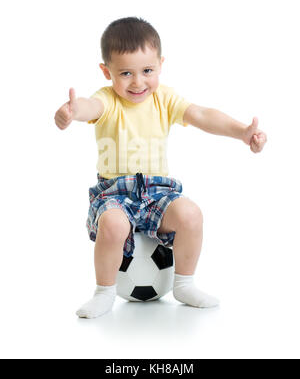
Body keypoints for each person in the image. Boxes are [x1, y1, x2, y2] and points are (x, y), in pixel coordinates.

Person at [54, 17, 267, 319]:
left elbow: (203, 115)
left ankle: (184, 284)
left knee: (191, 214)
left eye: (147, 71)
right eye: (125, 73)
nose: (138, 82)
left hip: (158, 191)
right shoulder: (108, 99)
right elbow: (90, 107)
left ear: (160, 65)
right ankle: (104, 292)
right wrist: (72, 112)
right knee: (113, 225)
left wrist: (242, 132)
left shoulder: (164, 99)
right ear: (106, 72)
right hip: (116, 191)